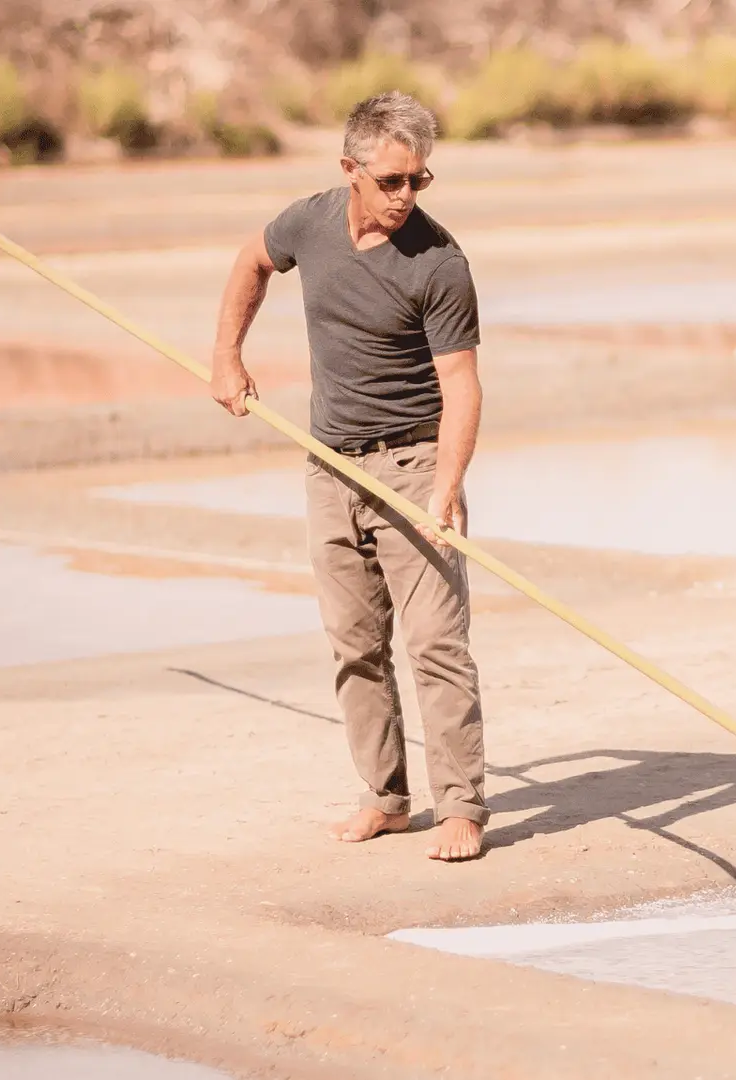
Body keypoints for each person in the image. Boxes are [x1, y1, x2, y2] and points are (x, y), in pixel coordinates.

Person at [207, 90, 488, 862]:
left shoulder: (439, 263)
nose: (406, 196)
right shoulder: (310, 222)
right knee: (355, 645)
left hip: (413, 462)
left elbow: (461, 385)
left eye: (419, 180)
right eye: (393, 180)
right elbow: (251, 262)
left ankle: (461, 806)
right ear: (351, 170)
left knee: (435, 643)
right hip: (329, 465)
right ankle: (388, 799)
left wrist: (448, 484)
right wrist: (227, 355)